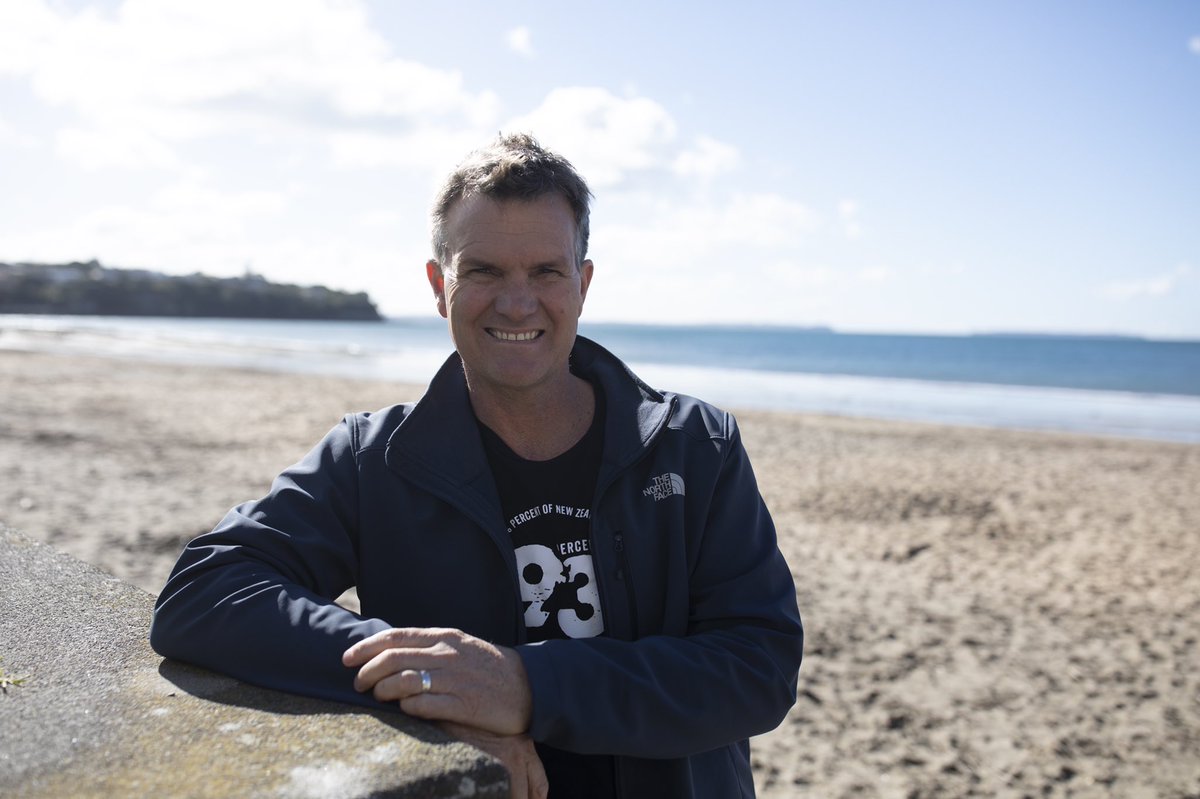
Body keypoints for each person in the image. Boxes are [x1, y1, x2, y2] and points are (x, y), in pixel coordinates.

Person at [150, 133, 804, 799]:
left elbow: (760, 665)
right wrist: (430, 685)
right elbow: (205, 592)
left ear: (583, 284)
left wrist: (524, 686)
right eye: (484, 271)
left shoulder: (695, 447)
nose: (517, 303)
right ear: (440, 286)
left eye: (546, 272)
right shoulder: (375, 459)